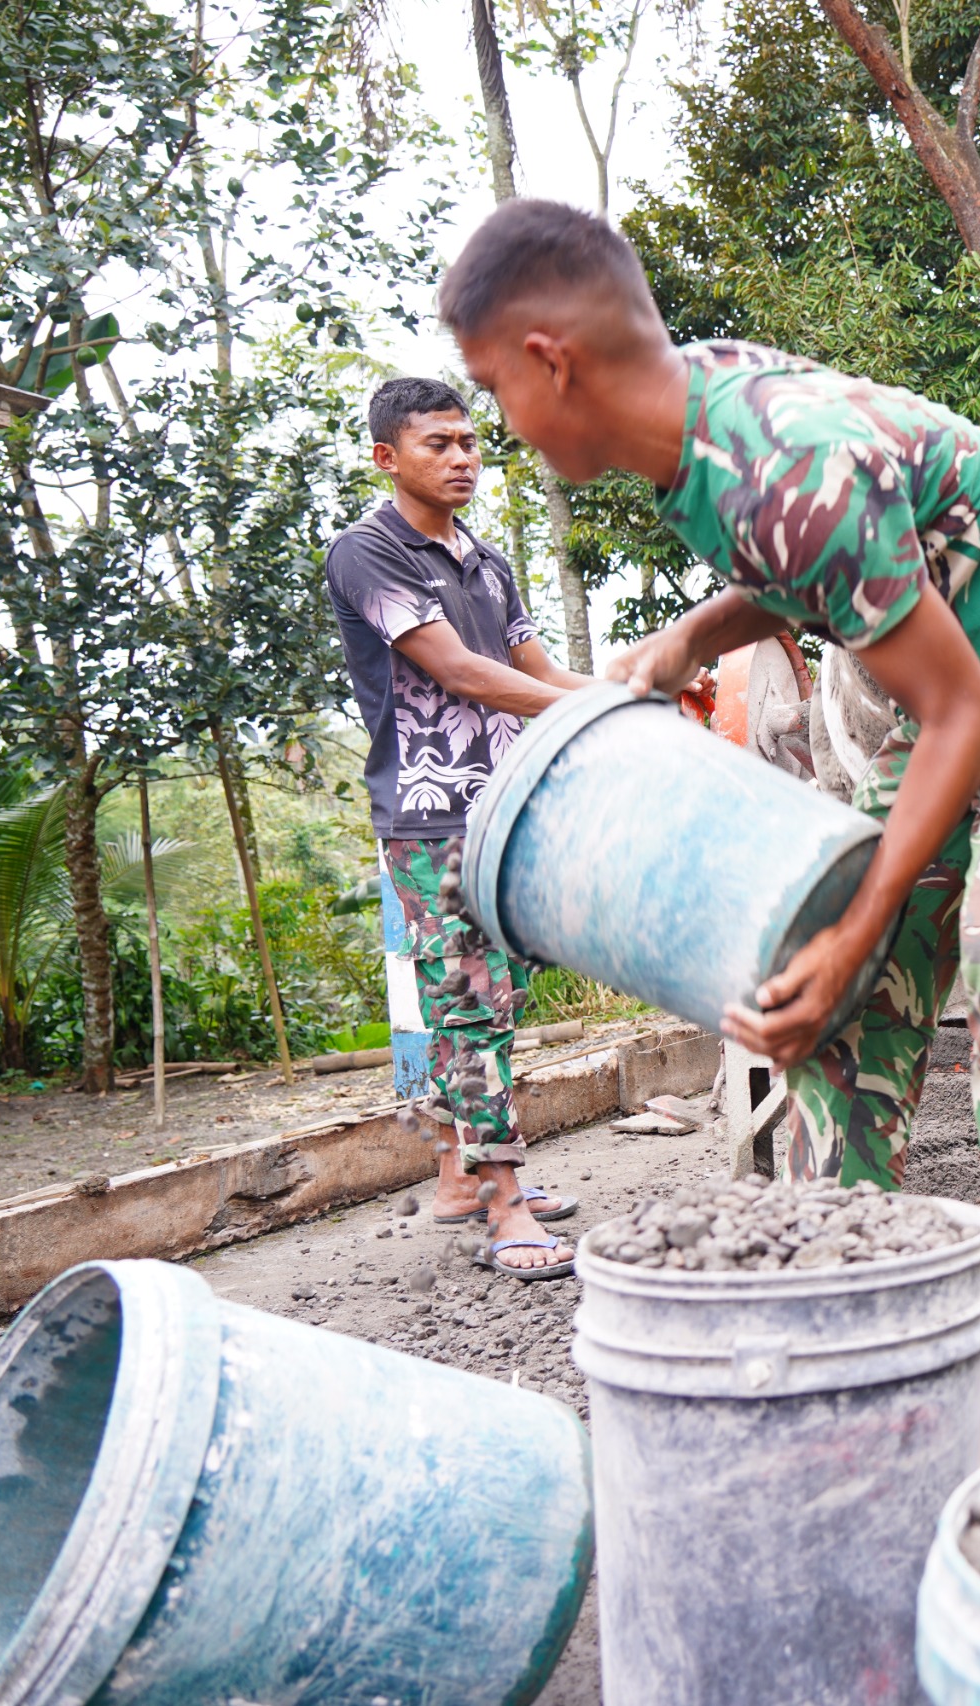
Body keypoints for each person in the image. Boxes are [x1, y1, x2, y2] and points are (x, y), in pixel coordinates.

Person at [437, 199, 980, 1459]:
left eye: (494, 386)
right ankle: (846, 1311)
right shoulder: (692, 430)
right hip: (958, 685)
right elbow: (801, 568)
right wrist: (688, 636)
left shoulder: (780, 463)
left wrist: (858, 929)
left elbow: (964, 714)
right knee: (828, 984)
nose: (500, 423)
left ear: (551, 360)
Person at [322, 376, 598, 1276]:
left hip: (505, 803)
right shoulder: (367, 552)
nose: (461, 459)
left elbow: (533, 667)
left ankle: (456, 1177)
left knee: (486, 994)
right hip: (431, 815)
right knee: (471, 1000)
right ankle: (506, 1206)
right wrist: (600, 708)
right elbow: (463, 674)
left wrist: (625, 695)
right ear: (386, 457)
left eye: (469, 442)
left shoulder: (485, 556)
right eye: (437, 444)